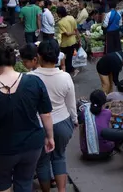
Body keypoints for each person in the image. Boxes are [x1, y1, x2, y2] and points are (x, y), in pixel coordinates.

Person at [0, 44, 55, 192]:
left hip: (1, 149)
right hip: (32, 145)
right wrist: (50, 137)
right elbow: (46, 114)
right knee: (25, 181)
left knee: (2, 183)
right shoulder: (34, 82)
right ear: (14, 61)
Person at [30, 39, 78, 192]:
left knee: (42, 161)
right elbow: (71, 104)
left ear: (39, 56)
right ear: (58, 56)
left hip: (39, 126)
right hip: (62, 124)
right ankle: (62, 190)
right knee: (59, 156)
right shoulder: (65, 77)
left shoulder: (30, 78)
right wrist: (75, 120)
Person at [78, 90, 115, 160]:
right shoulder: (108, 113)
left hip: (86, 153)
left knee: (82, 126)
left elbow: (82, 131)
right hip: (105, 152)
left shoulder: (85, 112)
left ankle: (86, 145)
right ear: (104, 102)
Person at [57, 6, 79, 76]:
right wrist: (78, 38)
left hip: (65, 44)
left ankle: (70, 71)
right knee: (69, 58)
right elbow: (76, 29)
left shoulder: (60, 23)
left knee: (63, 58)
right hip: (73, 41)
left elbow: (67, 34)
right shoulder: (71, 18)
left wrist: (73, 33)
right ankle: (70, 71)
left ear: (59, 14)